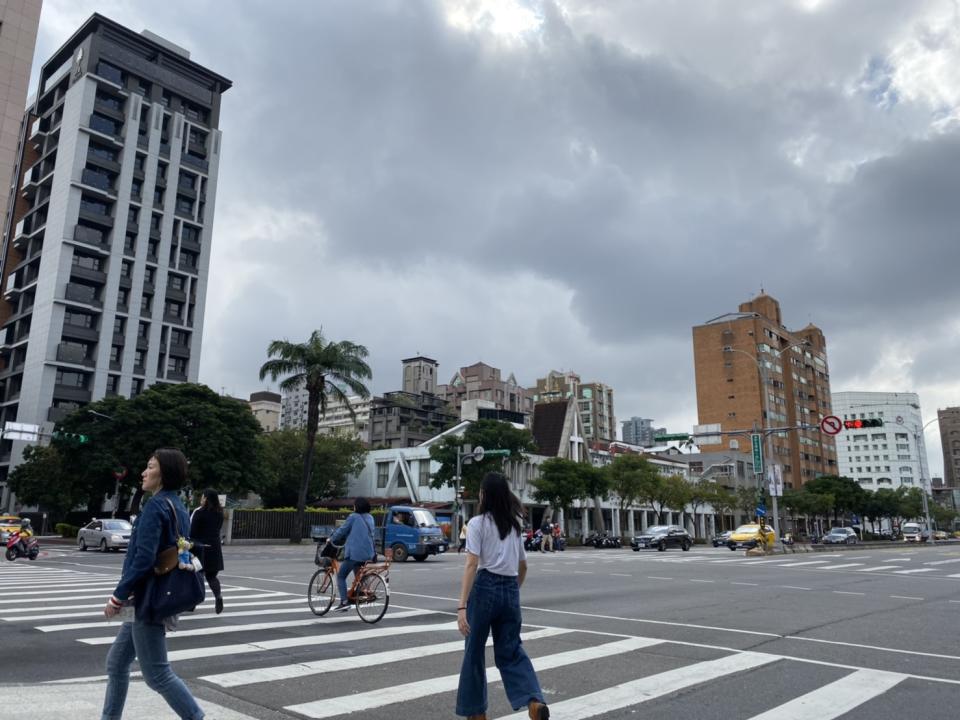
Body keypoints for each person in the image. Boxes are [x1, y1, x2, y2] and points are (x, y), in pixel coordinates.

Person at [101, 448, 204, 720]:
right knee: (117, 663)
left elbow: (143, 558)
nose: (143, 472)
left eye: (150, 466)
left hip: (148, 598)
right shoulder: (178, 506)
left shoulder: (155, 507)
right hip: (155, 593)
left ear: (164, 474)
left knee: (157, 674)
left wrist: (117, 597)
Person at [456, 472, 549, 720]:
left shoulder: (477, 523)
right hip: (510, 589)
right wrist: (511, 592)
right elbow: (523, 566)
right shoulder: (514, 524)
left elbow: (471, 564)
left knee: (473, 653)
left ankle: (476, 713)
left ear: (485, 495)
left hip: (485, 587)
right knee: (511, 650)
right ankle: (533, 701)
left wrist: (462, 606)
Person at [329, 497, 376, 612]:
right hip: (369, 553)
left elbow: (342, 530)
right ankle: (363, 592)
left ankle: (344, 602)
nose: (353, 507)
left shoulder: (353, 517)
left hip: (355, 553)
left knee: (341, 576)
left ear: (357, 506)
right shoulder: (370, 518)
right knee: (358, 575)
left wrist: (331, 539)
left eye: (354, 505)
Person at [189, 489, 225, 615]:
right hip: (214, 548)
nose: (201, 499)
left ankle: (192, 604)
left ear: (206, 499)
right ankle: (218, 596)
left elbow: (192, 532)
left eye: (203, 497)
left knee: (196, 576)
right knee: (212, 576)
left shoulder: (199, 513)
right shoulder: (220, 513)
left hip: (200, 548)